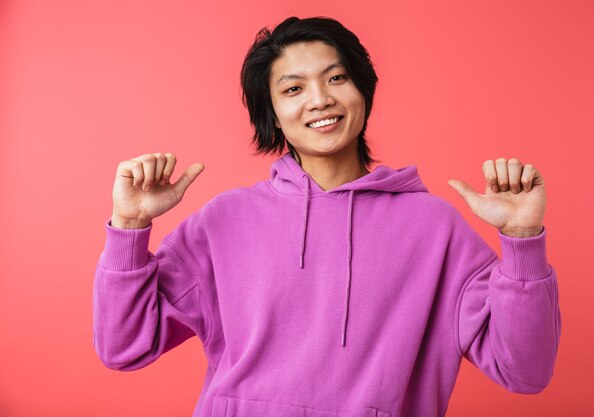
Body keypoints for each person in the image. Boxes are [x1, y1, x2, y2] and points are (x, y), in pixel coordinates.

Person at [93, 16, 561, 417]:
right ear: (273, 114)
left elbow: (524, 370)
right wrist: (129, 228)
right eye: (293, 88)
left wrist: (522, 240)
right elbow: (124, 347)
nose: (319, 100)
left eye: (336, 78)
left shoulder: (436, 230)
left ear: (363, 90)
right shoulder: (224, 222)